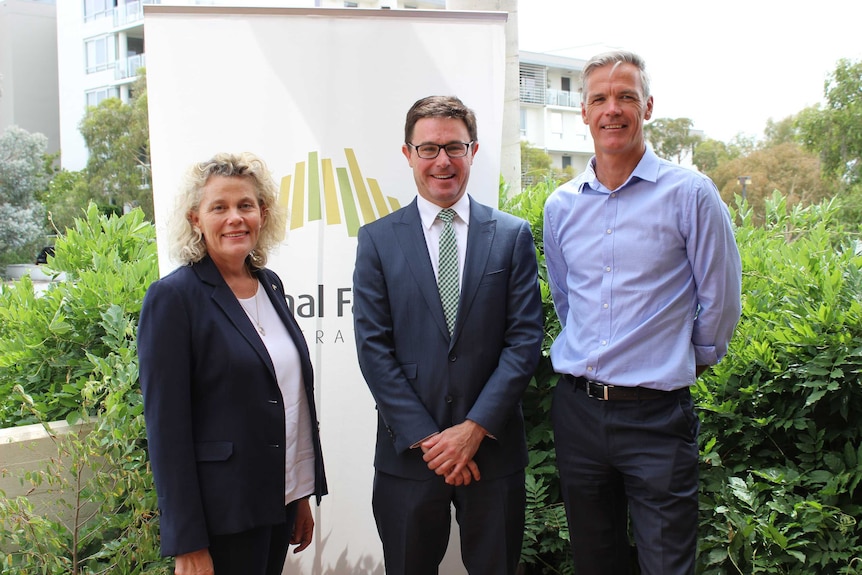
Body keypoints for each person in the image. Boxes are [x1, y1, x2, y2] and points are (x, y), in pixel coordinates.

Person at [543, 51, 742, 575]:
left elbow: (721, 302)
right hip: (578, 414)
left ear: (647, 106)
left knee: (666, 566)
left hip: (657, 416)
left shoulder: (691, 195)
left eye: (626, 96)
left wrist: (685, 361)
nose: (613, 109)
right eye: (600, 99)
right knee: (595, 562)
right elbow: (567, 300)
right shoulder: (560, 206)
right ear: (583, 112)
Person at [352, 95, 544, 575]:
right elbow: (374, 349)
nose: (443, 161)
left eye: (455, 147)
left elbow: (524, 342)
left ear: (474, 152)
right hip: (410, 459)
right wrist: (431, 440)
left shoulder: (511, 235)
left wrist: (473, 430)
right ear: (408, 154)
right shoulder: (377, 240)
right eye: (429, 148)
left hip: (492, 455)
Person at [138, 152, 327, 575]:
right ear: (195, 219)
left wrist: (297, 495)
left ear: (263, 213)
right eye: (218, 208)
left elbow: (287, 402)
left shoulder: (270, 284)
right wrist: (187, 542)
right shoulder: (173, 298)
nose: (235, 218)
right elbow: (166, 430)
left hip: (275, 504)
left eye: (245, 206)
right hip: (220, 517)